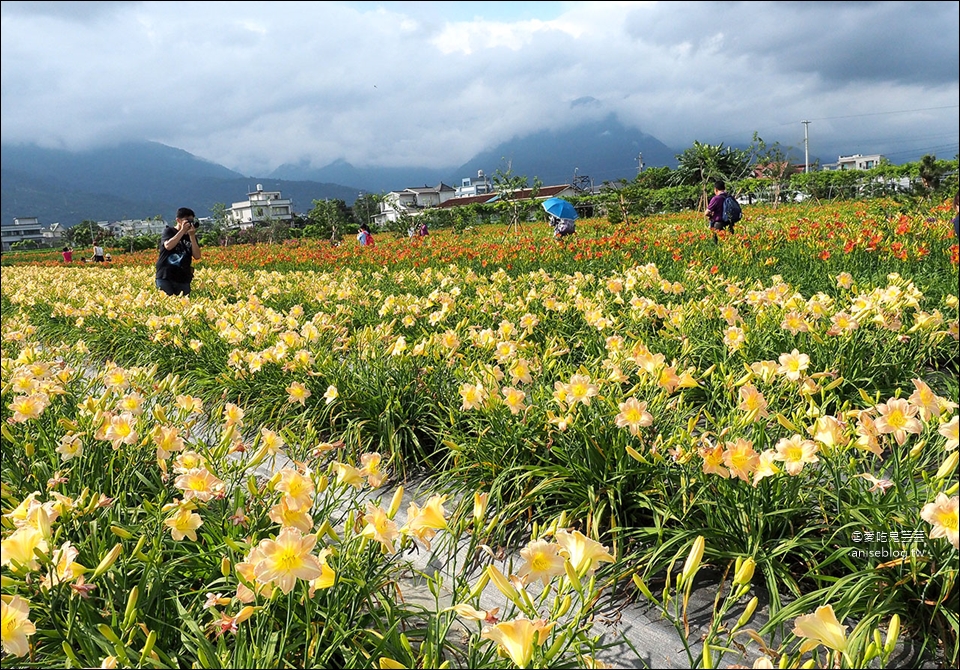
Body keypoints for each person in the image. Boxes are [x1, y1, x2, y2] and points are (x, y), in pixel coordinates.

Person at [155, 207, 202, 296]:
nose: (190, 223)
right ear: (178, 220)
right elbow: (168, 246)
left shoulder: (191, 236)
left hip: (183, 278)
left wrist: (192, 236)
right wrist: (182, 231)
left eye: (191, 220)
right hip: (165, 276)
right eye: (187, 220)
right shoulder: (169, 231)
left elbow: (197, 256)